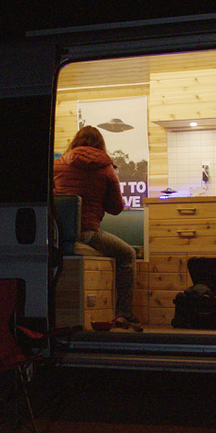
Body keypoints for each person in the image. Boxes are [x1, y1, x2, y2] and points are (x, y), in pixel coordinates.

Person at [53, 125, 142, 331]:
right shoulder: (106, 168)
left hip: (58, 234)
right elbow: (116, 208)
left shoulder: (58, 165)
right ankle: (123, 312)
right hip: (87, 232)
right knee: (127, 254)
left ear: (75, 141)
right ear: (101, 144)